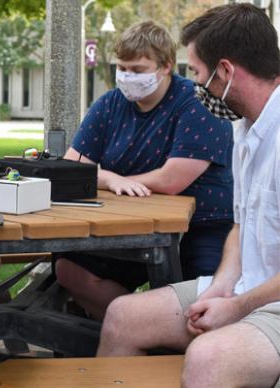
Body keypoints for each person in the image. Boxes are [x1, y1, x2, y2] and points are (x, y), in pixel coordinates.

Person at [98, 4, 280, 387]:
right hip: (246, 290)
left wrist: (235, 307)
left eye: (198, 73)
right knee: (121, 316)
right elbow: (241, 225)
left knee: (208, 358)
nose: (196, 86)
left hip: (273, 304)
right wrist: (220, 286)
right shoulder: (245, 128)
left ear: (226, 71)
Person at [54, 20, 234, 320]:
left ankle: (147, 328)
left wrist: (103, 179)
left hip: (201, 227)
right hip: (128, 226)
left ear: (165, 66)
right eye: (122, 68)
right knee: (67, 266)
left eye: (137, 70)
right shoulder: (110, 104)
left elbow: (172, 179)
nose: (127, 77)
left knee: (204, 302)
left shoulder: (198, 101)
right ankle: (137, 328)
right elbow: (71, 167)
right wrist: (111, 179)